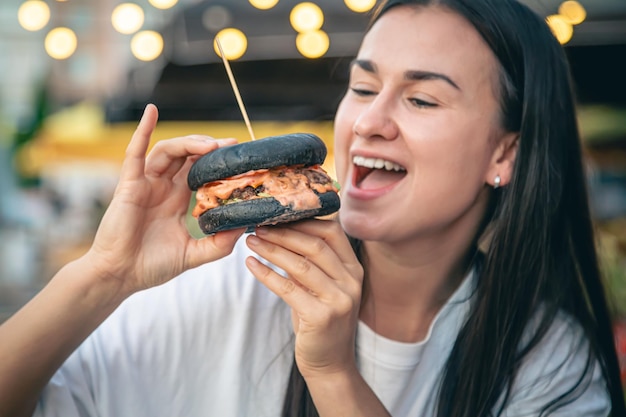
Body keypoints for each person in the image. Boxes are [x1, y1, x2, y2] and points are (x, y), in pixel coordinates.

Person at [1, 0, 625, 416]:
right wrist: (105, 273)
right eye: (362, 86)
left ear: (506, 153)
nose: (370, 122)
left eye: (424, 100)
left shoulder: (549, 363)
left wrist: (333, 373)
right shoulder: (232, 283)